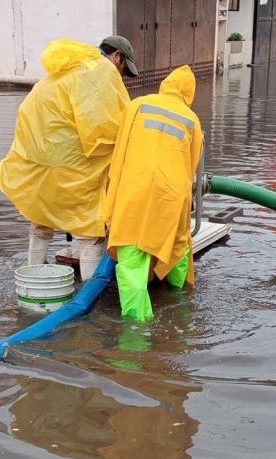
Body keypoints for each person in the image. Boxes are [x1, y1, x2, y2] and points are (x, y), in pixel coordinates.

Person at [0, 35, 136, 281]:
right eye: (124, 70)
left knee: (41, 219)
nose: (123, 77)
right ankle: (90, 297)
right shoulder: (101, 69)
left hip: (37, 161)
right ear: (117, 57)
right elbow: (103, 128)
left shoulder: (68, 68)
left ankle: (32, 278)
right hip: (73, 164)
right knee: (89, 229)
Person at [101, 65, 203, 322]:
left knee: (132, 260)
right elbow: (191, 166)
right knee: (177, 244)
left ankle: (137, 329)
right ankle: (179, 302)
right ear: (189, 93)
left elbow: (121, 148)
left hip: (134, 190)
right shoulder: (192, 120)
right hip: (169, 196)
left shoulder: (138, 105)